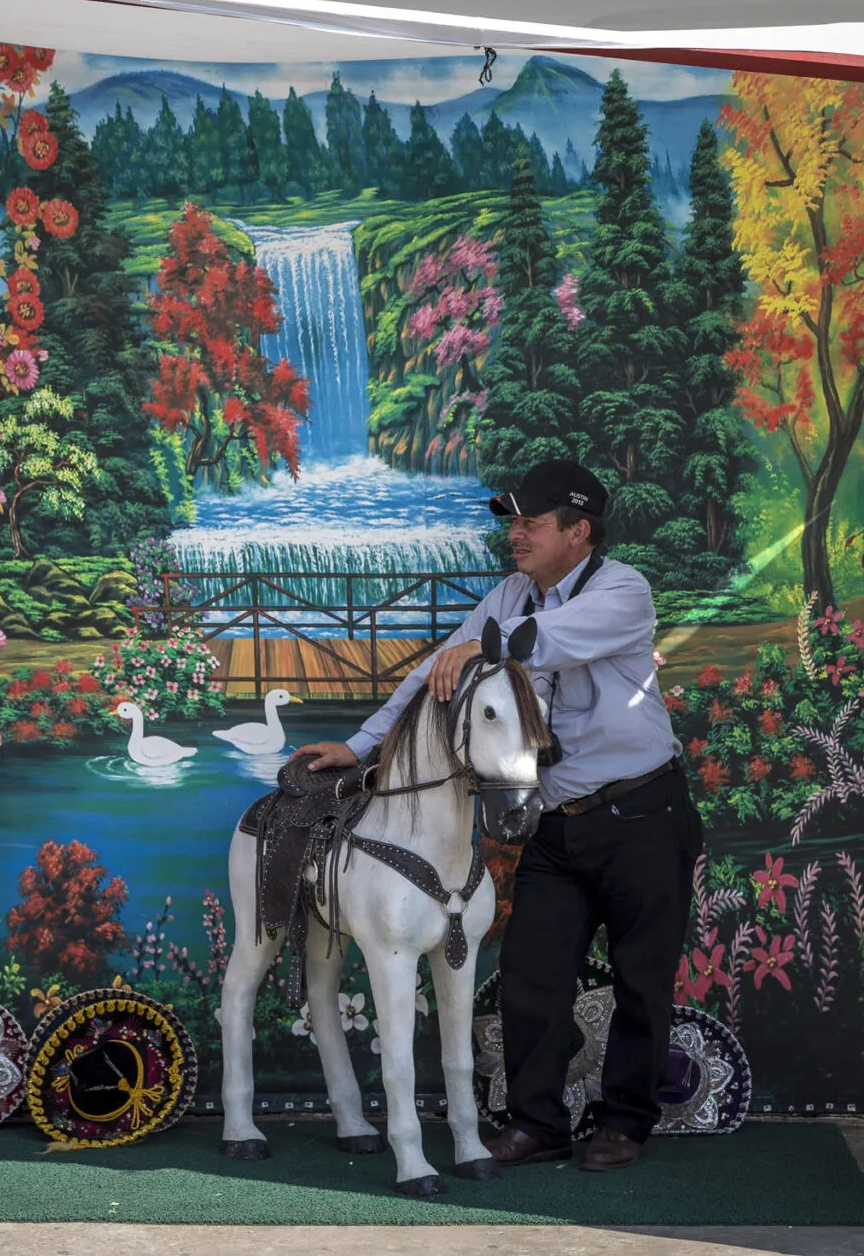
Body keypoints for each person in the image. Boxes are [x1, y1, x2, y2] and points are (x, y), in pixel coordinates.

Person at [293, 459, 698, 1172]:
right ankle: (538, 1123)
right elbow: (433, 675)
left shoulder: (622, 590)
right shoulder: (511, 593)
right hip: (555, 820)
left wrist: (469, 649)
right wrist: (360, 747)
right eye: (514, 521)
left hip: (642, 811)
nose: (517, 535)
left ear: (579, 531)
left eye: (532, 522)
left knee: (643, 978)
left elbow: (537, 643)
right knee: (530, 974)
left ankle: (626, 1123)